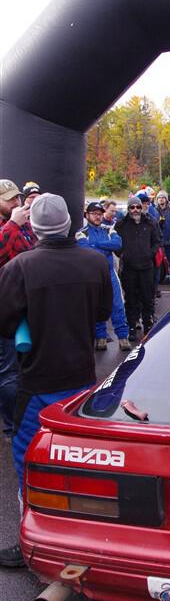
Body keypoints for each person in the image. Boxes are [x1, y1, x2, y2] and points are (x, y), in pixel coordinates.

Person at [0, 193, 112, 567]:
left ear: (33, 227)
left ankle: (33, 541)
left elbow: (2, 323)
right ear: (70, 224)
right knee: (83, 459)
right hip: (82, 379)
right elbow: (102, 313)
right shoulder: (95, 262)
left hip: (37, 380)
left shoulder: (20, 267)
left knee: (28, 457)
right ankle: (87, 538)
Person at [0, 180, 38, 443]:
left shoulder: (20, 225)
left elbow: (31, 253)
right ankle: (12, 425)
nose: (17, 203)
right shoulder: (10, 225)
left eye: (17, 198)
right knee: (9, 370)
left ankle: (21, 417)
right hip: (5, 308)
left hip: (22, 304)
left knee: (24, 367)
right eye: (10, 199)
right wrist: (12, 224)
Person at [75, 201, 131, 351]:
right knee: (96, 305)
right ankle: (100, 337)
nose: (98, 217)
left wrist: (97, 244)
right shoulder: (81, 232)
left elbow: (117, 244)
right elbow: (86, 250)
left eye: (100, 214)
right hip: (92, 275)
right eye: (94, 214)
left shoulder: (109, 228)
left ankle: (123, 337)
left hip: (110, 272)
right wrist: (104, 245)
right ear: (87, 215)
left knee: (117, 304)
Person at [115, 196, 161, 342]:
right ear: (128, 209)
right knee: (131, 299)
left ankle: (148, 324)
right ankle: (132, 327)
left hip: (147, 266)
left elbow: (157, 241)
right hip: (129, 268)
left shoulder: (151, 223)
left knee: (148, 297)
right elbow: (115, 242)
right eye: (132, 207)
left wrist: (150, 253)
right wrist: (123, 254)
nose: (135, 210)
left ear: (142, 208)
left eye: (138, 207)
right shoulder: (121, 225)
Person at [155, 190, 170, 291]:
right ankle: (155, 286)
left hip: (169, 241)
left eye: (163, 197)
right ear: (157, 199)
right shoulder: (154, 211)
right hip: (158, 241)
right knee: (157, 264)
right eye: (159, 197)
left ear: (166, 199)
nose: (161, 199)